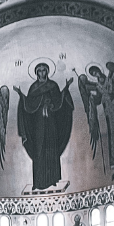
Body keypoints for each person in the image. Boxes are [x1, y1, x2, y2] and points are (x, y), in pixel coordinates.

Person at [15, 63, 74, 191]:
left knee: (51, 148)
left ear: (47, 72)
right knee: (39, 149)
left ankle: (53, 179)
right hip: (39, 124)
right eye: (39, 71)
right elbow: (29, 105)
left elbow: (59, 101)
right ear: (37, 73)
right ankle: (39, 181)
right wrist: (21, 95)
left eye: (44, 70)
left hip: (51, 122)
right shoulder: (33, 88)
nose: (42, 73)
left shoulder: (53, 86)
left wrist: (66, 89)